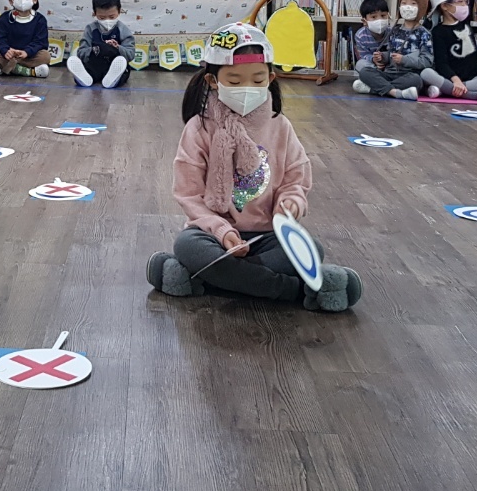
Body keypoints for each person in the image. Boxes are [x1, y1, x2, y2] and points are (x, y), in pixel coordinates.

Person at [145, 23, 361, 312]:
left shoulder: (280, 126)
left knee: (313, 249)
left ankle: (208, 279)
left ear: (270, 78)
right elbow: (188, 194)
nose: (247, 89)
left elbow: (295, 180)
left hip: (268, 237)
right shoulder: (199, 128)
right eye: (234, 81)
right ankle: (294, 291)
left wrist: (290, 205)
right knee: (188, 246)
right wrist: (222, 231)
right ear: (212, 80)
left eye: (258, 80)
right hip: (213, 235)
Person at [350, 0, 424, 100]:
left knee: (416, 79)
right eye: (373, 17)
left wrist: (387, 59)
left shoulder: (393, 32)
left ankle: (374, 88)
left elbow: (397, 53)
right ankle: (395, 91)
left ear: (388, 16)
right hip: (374, 68)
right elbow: (363, 55)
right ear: (364, 21)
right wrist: (374, 60)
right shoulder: (360, 35)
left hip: (392, 69)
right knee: (362, 67)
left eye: (383, 16)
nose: (379, 20)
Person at [68, 0, 134, 88]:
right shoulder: (90, 29)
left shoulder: (123, 29)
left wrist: (117, 47)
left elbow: (131, 54)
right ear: (94, 13)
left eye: (111, 17)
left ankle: (113, 79)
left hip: (115, 64)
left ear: (119, 11)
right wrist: (96, 49)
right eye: (102, 18)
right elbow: (82, 52)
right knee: (89, 67)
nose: (107, 20)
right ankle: (84, 78)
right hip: (95, 65)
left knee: (123, 70)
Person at [0, 0, 50, 78]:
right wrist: (6, 50)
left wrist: (27, 52)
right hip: (8, 54)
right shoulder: (4, 18)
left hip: (28, 56)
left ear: (34, 0)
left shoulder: (40, 20)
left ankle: (5, 68)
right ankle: (29, 71)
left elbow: (40, 42)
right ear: (11, 1)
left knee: (45, 56)